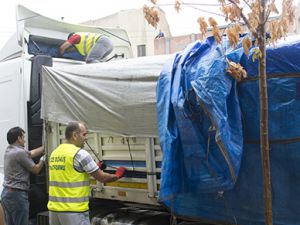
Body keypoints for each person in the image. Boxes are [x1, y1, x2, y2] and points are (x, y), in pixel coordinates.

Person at [48, 121, 126, 225]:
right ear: (75, 135)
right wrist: (117, 176)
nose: (86, 138)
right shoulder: (80, 154)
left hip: (54, 211)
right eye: (84, 134)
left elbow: (68, 173)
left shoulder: (55, 153)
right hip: (74, 211)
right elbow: (102, 177)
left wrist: (93, 167)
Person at [1, 126, 45, 225]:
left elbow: (30, 153)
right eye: (23, 137)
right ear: (19, 138)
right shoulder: (20, 152)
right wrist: (43, 159)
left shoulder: (9, 150)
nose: (24, 140)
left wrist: (44, 147)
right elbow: (36, 170)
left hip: (7, 194)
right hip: (17, 196)